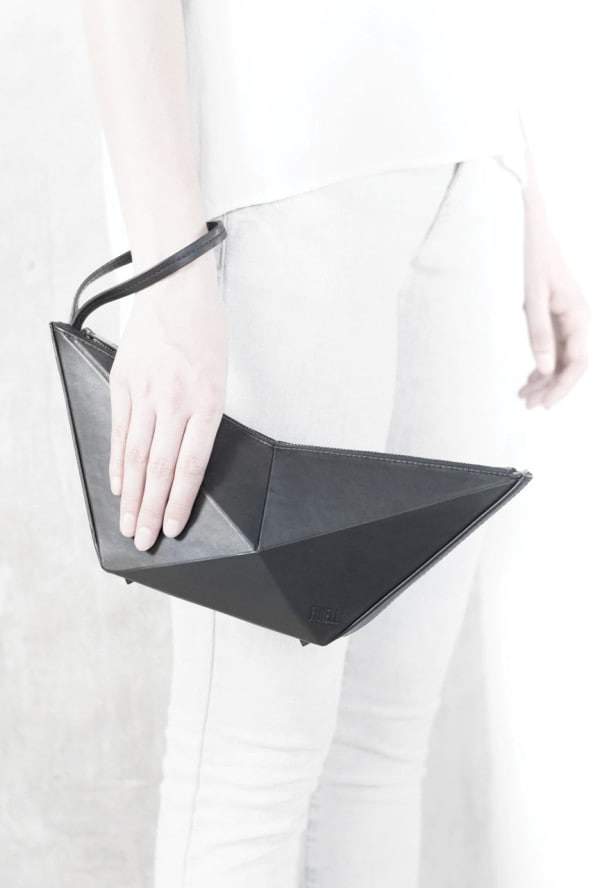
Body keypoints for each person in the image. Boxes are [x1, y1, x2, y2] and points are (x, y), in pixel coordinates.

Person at [80, 1, 591, 886]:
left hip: (469, 160)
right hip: (275, 160)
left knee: (384, 743)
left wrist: (525, 185)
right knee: (252, 756)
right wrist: (168, 272)